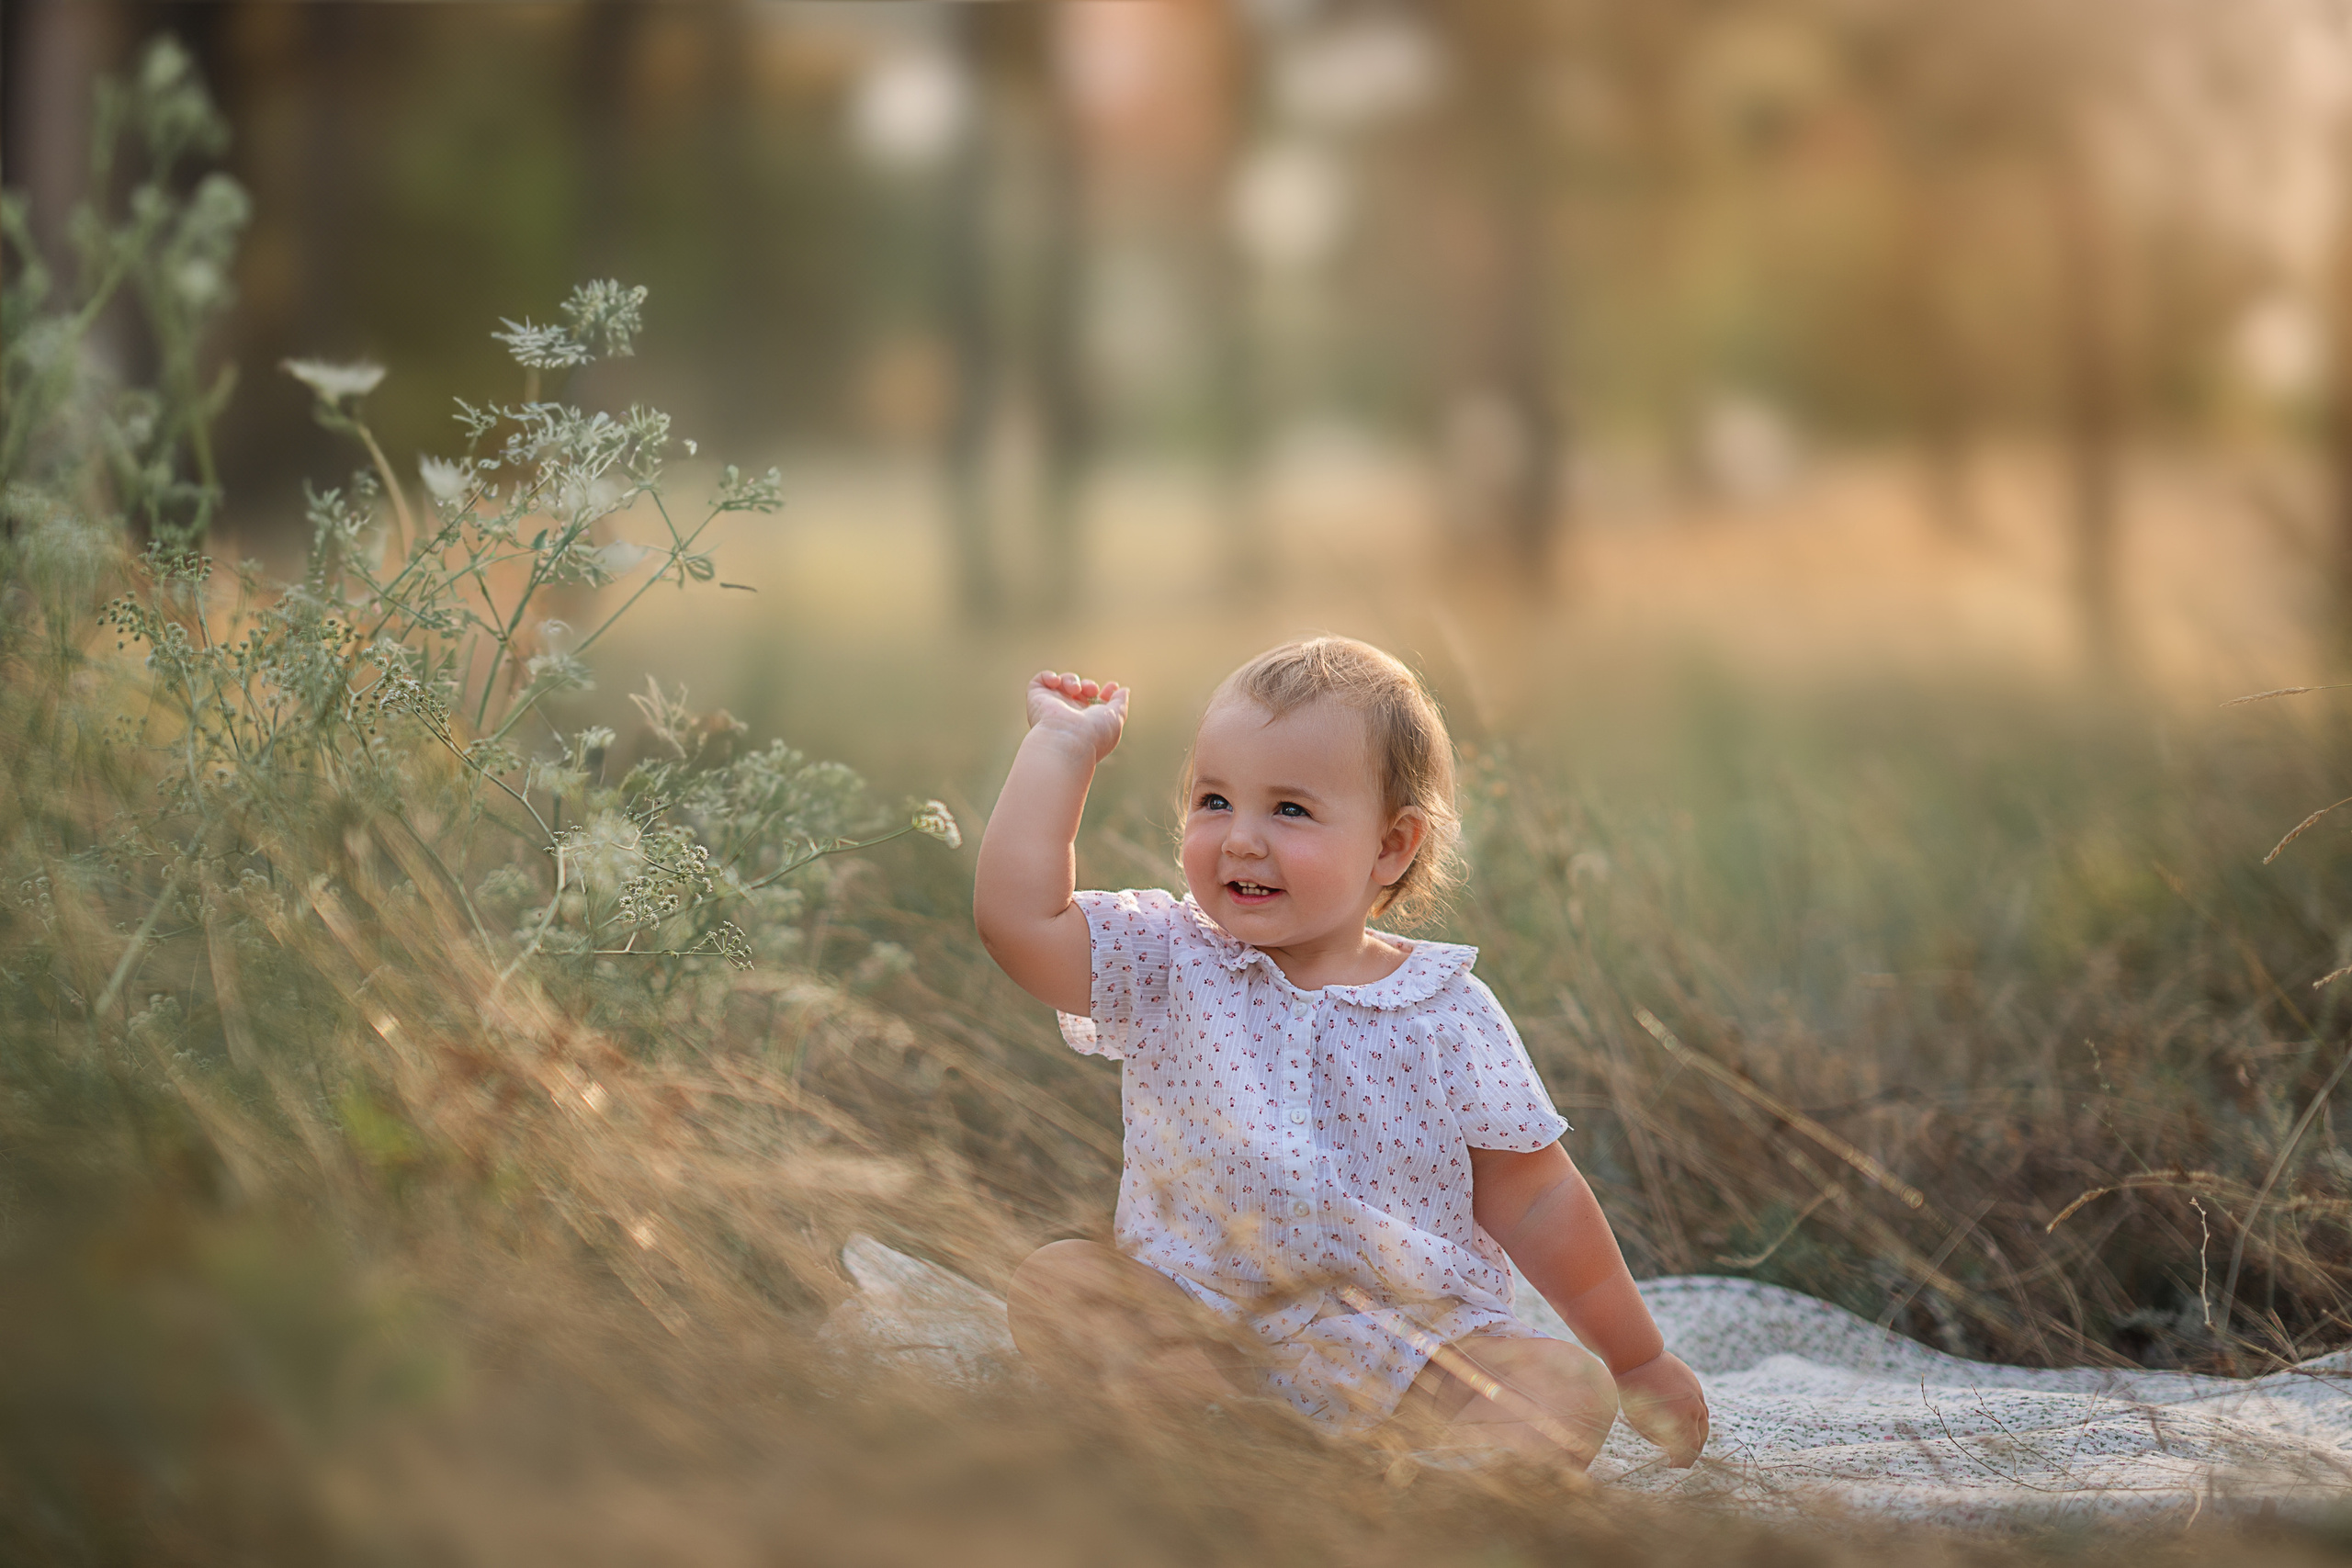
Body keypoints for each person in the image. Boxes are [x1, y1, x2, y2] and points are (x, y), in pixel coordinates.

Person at [972, 637, 1708, 1467]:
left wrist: (1635, 1357)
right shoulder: (1168, 957)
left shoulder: (1446, 1011)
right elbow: (1019, 923)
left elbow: (1538, 1199)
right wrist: (1061, 749)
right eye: (1214, 800)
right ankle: (1232, 1438)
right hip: (1201, 1323)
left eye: (1289, 810)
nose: (1240, 838)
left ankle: (1424, 1494)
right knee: (1061, 1283)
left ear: (1392, 845)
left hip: (1411, 1349)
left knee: (1564, 1387)